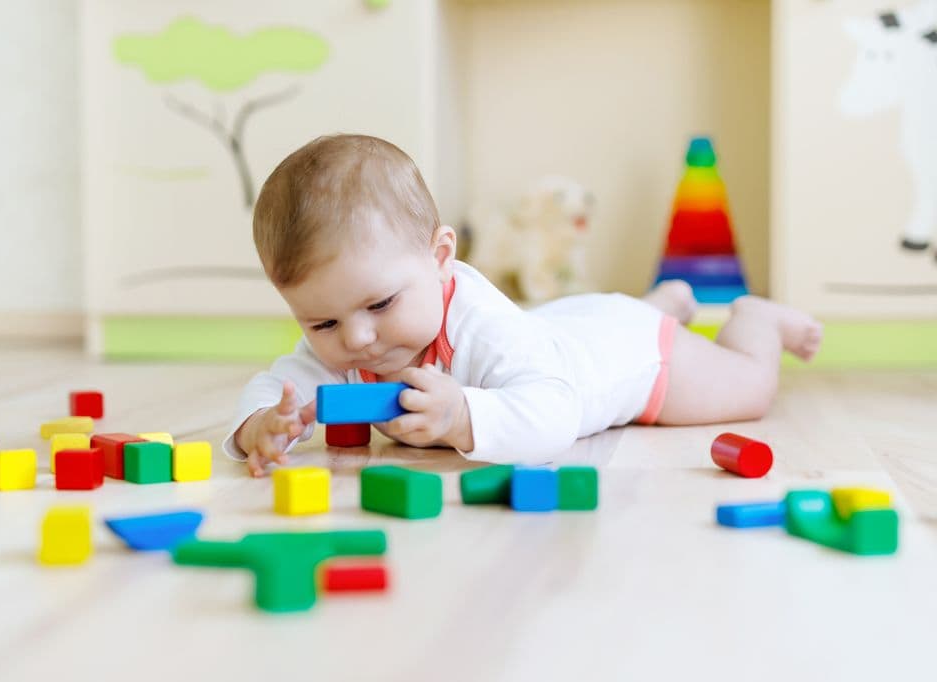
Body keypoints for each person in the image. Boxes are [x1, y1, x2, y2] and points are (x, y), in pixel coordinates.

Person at [224, 134, 822, 477]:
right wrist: (260, 427)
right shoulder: (351, 327)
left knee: (748, 389)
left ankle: (755, 322)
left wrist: (463, 418)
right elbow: (278, 386)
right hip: (568, 326)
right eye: (321, 322)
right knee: (570, 329)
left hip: (634, 357)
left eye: (379, 304)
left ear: (439, 259)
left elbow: (555, 413)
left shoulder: (482, 326)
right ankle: (664, 301)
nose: (355, 341)